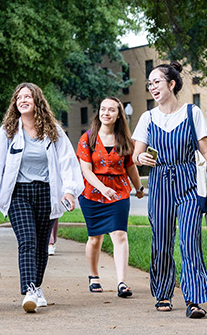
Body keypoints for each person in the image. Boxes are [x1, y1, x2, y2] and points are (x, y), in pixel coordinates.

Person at [0, 82, 84, 313]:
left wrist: (69, 190)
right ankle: (29, 290)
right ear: (15, 104)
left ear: (37, 101)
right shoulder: (8, 131)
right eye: (18, 98)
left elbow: (66, 161)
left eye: (28, 97)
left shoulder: (53, 130)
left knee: (42, 245)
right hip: (18, 193)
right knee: (28, 241)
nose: (22, 100)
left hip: (46, 192)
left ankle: (36, 288)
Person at [132, 61, 207, 319]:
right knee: (161, 240)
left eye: (156, 82)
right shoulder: (147, 118)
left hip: (189, 182)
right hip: (160, 183)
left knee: (189, 241)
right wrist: (141, 160)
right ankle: (163, 292)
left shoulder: (192, 113)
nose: (152, 87)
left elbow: (205, 152)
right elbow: (136, 154)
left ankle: (194, 299)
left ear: (171, 84)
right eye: (149, 84)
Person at [76, 97, 145, 298]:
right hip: (91, 194)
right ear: (98, 113)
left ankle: (122, 282)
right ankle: (94, 275)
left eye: (111, 110)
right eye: (103, 109)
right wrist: (102, 188)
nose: (106, 113)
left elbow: (130, 167)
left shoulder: (126, 140)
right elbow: (86, 171)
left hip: (119, 192)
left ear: (118, 115)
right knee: (95, 238)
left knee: (120, 234)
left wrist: (139, 188)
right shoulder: (87, 139)